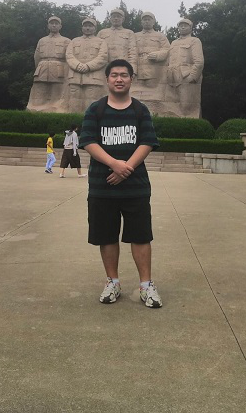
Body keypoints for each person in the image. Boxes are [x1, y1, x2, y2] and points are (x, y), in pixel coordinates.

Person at [79, 59, 163, 308]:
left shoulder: (140, 110)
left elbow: (147, 142)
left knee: (141, 236)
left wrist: (125, 169)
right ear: (107, 79)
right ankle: (112, 282)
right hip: (102, 186)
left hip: (135, 187)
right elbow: (88, 141)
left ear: (131, 79)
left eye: (124, 75)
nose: (119, 79)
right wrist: (114, 164)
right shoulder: (95, 109)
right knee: (106, 236)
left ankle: (146, 285)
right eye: (114, 75)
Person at [27, 16, 71, 112]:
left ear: (60, 26)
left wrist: (67, 74)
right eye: (52, 23)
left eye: (56, 24)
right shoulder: (42, 40)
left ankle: (55, 110)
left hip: (58, 70)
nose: (54, 25)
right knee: (39, 94)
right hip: (42, 68)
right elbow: (37, 56)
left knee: (56, 96)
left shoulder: (66, 41)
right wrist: (39, 67)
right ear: (48, 25)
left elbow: (69, 58)